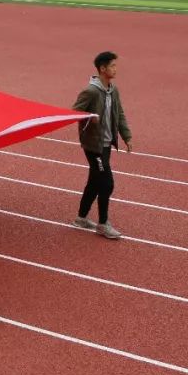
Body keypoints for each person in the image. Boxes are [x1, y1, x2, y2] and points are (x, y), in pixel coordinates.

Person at [72, 51, 133, 239]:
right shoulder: (90, 92)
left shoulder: (113, 90)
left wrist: (126, 136)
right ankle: (103, 223)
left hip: (106, 143)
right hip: (93, 146)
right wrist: (91, 117)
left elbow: (119, 113)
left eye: (116, 65)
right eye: (112, 66)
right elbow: (75, 112)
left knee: (94, 181)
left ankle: (81, 217)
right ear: (102, 69)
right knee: (106, 183)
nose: (116, 69)